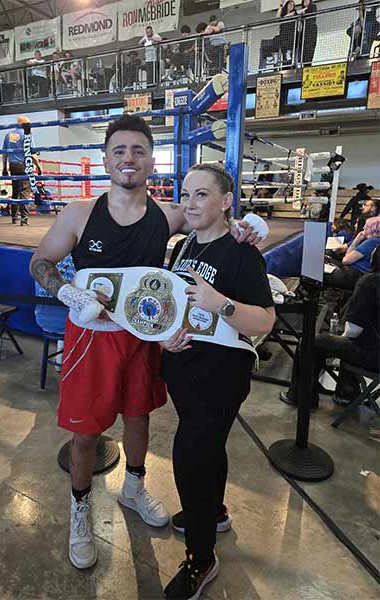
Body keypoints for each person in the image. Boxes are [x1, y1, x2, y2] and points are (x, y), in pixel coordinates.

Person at [28, 114, 264, 570]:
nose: (129, 158)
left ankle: (134, 488)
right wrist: (69, 292)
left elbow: (215, 219)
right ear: (105, 160)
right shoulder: (79, 213)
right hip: (91, 339)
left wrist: (247, 226)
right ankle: (80, 510)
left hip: (145, 337)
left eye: (138, 150)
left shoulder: (169, 215)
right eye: (119, 150)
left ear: (152, 161)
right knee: (85, 433)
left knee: (139, 418)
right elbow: (41, 262)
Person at [159, 164, 276, 599]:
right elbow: (174, 304)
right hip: (184, 370)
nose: (189, 203)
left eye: (201, 194)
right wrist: (165, 338)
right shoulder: (183, 245)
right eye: (185, 193)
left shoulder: (242, 252)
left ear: (226, 201)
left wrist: (222, 304)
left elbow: (264, 320)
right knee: (209, 451)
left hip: (220, 378)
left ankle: (201, 557)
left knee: (191, 458)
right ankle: (214, 512)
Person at [281, 246, 380, 409]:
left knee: (311, 342)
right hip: (373, 351)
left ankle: (300, 397)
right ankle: (346, 394)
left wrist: (339, 336)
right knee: (346, 342)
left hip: (372, 355)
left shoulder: (370, 282)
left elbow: (353, 330)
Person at [1, 115, 42, 226]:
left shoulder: (8, 135)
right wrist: (39, 167)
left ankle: (14, 217)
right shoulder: (27, 134)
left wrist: (4, 168)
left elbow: (4, 153)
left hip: (13, 165)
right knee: (25, 192)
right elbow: (32, 154)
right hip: (24, 165)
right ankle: (24, 219)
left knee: (15, 191)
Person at [277, 1, 297, 65]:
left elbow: (293, 14)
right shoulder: (283, 13)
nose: (291, 6)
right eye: (290, 4)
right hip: (283, 34)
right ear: (287, 5)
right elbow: (277, 16)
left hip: (291, 34)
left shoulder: (294, 13)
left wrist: (283, 18)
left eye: (293, 5)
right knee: (278, 40)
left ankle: (288, 53)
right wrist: (281, 5)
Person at [298, 0, 318, 64]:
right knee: (303, 48)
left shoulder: (313, 6)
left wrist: (303, 11)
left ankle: (308, 63)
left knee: (310, 47)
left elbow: (311, 16)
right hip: (304, 30)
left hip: (311, 30)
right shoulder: (302, 10)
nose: (306, 1)